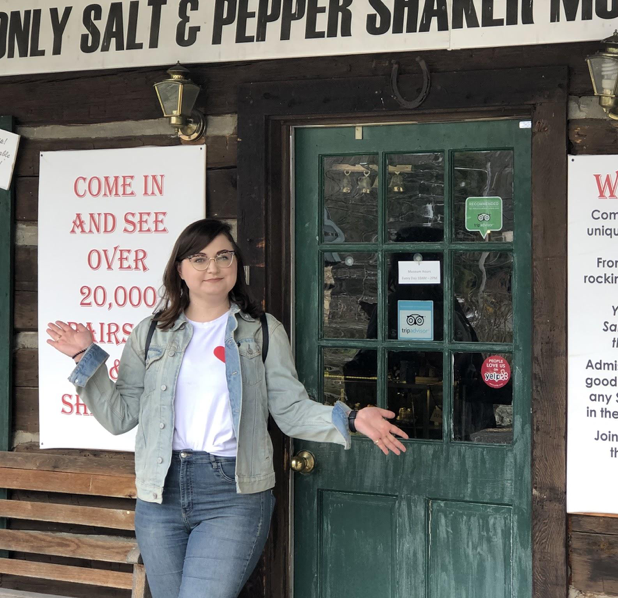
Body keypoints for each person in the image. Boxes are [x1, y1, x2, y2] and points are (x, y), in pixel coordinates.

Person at [46, 218, 408, 598]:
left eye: (223, 256)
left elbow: (290, 409)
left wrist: (350, 418)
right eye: (199, 259)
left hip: (232, 493)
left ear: (237, 265)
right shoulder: (149, 333)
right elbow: (120, 417)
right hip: (160, 494)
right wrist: (85, 357)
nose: (213, 268)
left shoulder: (263, 331)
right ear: (180, 269)